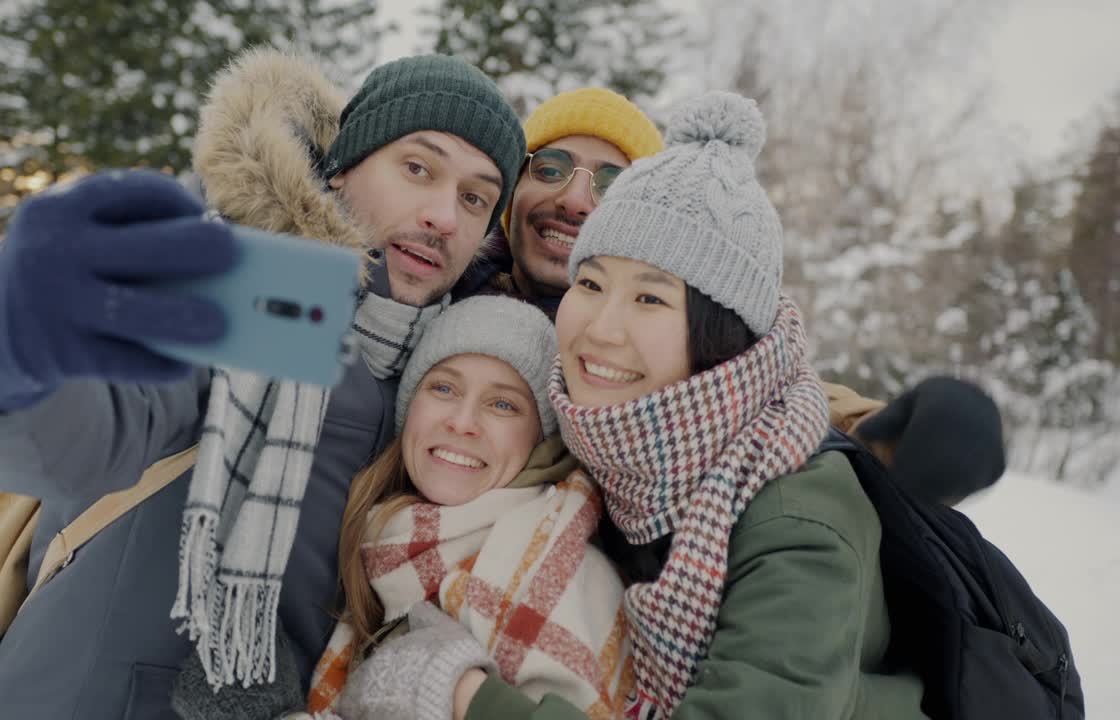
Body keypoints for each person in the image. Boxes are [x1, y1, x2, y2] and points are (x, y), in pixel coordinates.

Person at [0, 47, 525, 720]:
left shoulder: (445, 380)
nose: (442, 216)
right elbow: (78, 436)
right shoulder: (243, 297)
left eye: (474, 198)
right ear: (343, 169)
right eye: (417, 168)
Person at [337, 92, 929, 720]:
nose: (602, 329)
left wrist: (467, 697)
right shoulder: (621, 458)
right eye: (590, 284)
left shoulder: (795, 512)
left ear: (720, 332)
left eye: (650, 300)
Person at [456, 86, 1004, 506]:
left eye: (610, 182)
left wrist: (883, 433)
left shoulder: (668, 347)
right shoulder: (447, 303)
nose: (574, 197)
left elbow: (756, 389)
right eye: (549, 167)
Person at [293, 296, 631, 720]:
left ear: (539, 440)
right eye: (444, 388)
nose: (462, 422)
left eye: (503, 404)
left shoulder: (564, 573)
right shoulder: (381, 547)